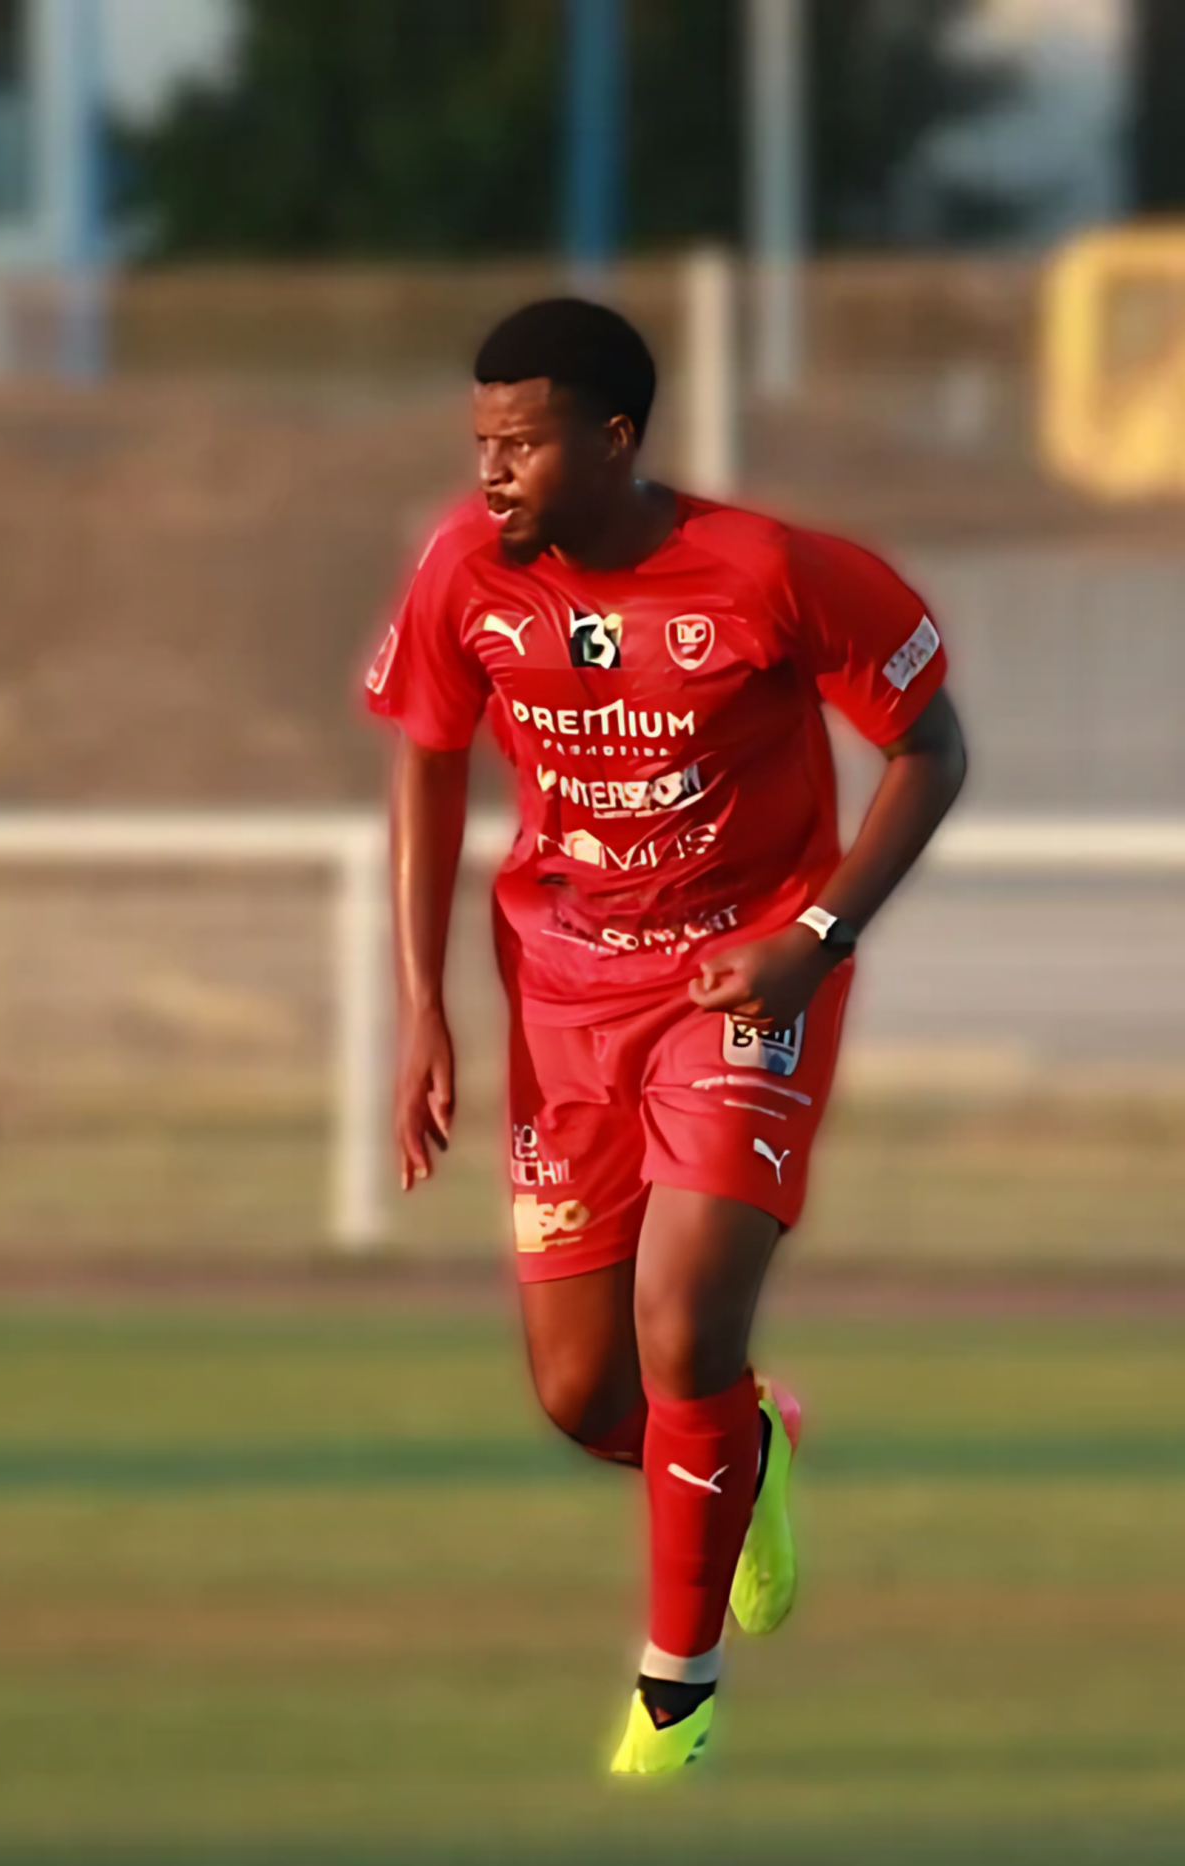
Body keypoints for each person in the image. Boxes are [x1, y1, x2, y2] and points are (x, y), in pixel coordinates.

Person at [366, 298, 968, 1773]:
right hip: (562, 998)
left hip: (736, 984)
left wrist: (815, 941)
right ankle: (745, 1450)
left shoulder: (770, 574)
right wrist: (423, 1004)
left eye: (521, 444)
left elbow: (930, 750)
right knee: (585, 1395)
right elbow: (428, 762)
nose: (491, 471)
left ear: (614, 438)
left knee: (686, 1321)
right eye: (481, 443)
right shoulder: (460, 570)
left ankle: (675, 1697)